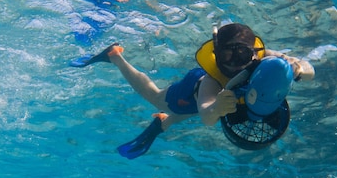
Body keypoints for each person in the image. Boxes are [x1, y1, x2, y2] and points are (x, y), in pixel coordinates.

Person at [72, 22, 315, 158]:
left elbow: (310, 68)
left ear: (253, 53)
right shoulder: (210, 81)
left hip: (222, 97)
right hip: (193, 89)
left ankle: (164, 123)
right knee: (157, 98)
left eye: (239, 53)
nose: (231, 62)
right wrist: (217, 107)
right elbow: (208, 116)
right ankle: (115, 57)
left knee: (218, 105)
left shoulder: (266, 59)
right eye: (224, 54)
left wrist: (299, 68)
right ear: (215, 54)